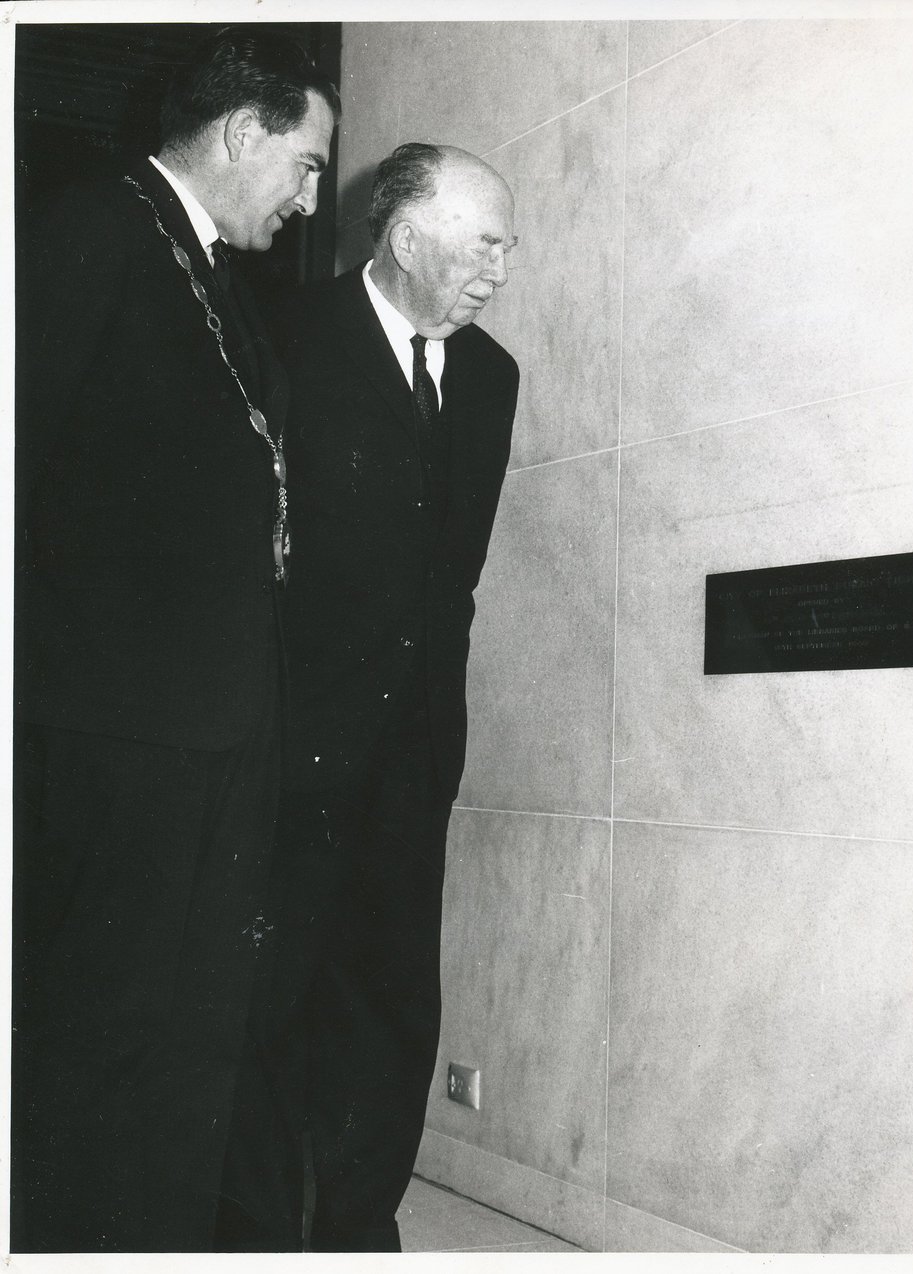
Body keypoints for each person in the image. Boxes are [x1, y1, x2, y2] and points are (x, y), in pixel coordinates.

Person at [11, 28, 339, 1253]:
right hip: (110, 730)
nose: (313, 196)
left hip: (213, 731)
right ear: (240, 132)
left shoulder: (220, 281)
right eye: (304, 164)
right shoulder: (91, 228)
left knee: (188, 1029)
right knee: (101, 1034)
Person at [221, 142, 520, 1252]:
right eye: (484, 241)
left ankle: (357, 1223)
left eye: (509, 244)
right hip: (289, 735)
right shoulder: (280, 336)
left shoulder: (492, 377)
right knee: (268, 985)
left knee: (391, 993)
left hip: (415, 744)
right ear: (405, 237)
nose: (502, 266)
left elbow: (457, 573)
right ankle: (250, 1228)